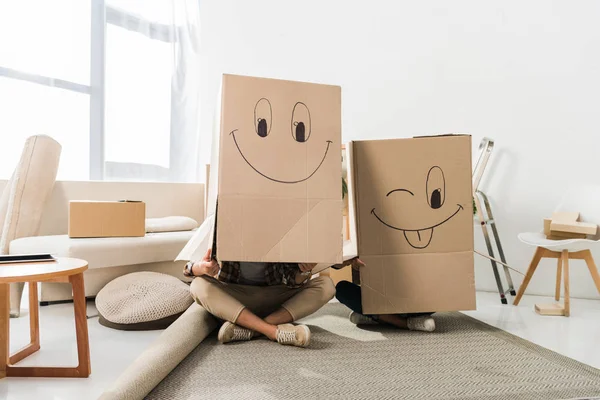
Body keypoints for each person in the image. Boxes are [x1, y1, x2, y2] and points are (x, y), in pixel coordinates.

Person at [185, 248, 335, 348]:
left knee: (326, 285)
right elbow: (188, 268)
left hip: (276, 297)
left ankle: (251, 329)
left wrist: (304, 271)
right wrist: (200, 268)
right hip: (236, 298)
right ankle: (272, 331)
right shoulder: (222, 224)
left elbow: (292, 281)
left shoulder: (283, 227)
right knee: (198, 285)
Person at [333, 259, 436, 332]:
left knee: (441, 290)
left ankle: (375, 317)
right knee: (341, 289)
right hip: (377, 295)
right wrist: (350, 260)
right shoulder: (360, 231)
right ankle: (404, 323)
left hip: (411, 294)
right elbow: (335, 264)